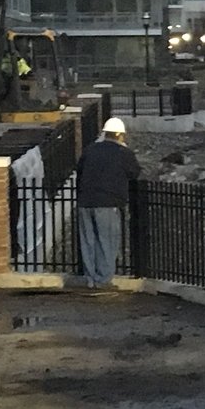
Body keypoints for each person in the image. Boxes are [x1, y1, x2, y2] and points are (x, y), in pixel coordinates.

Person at [75, 116, 138, 287]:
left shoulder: (90, 149)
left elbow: (79, 171)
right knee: (107, 241)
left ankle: (90, 278)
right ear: (119, 135)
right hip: (108, 203)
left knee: (88, 241)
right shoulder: (124, 153)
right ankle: (103, 279)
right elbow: (134, 173)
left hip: (85, 202)